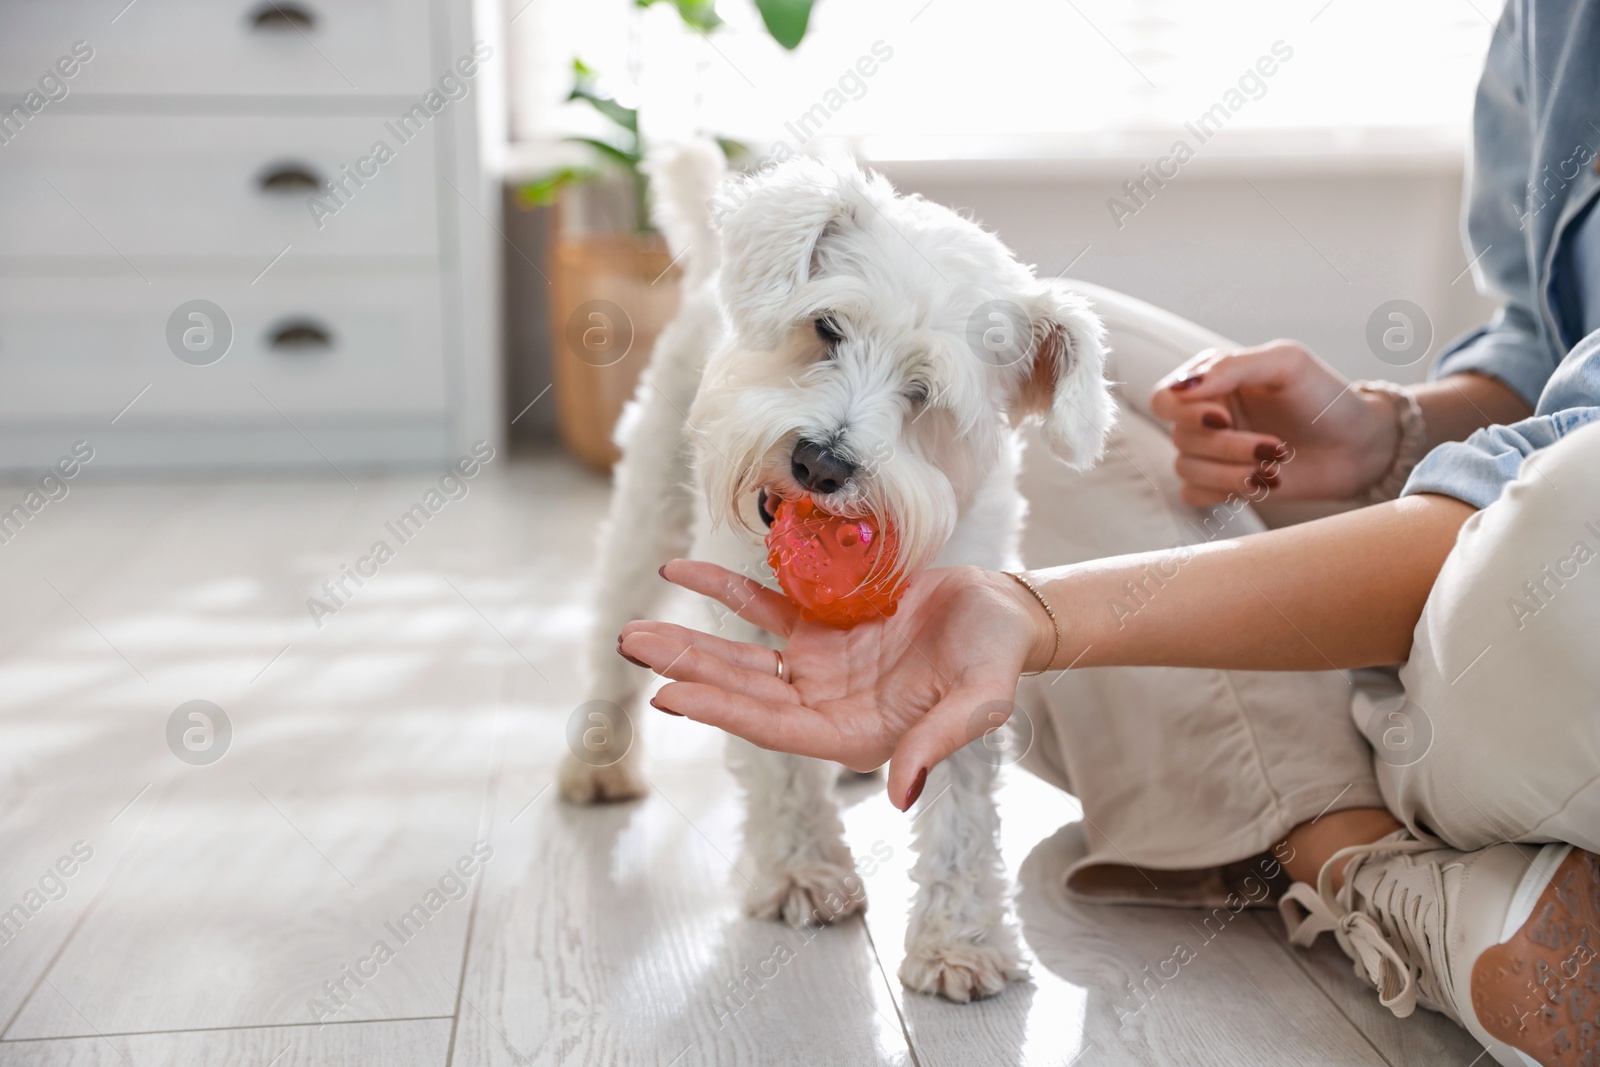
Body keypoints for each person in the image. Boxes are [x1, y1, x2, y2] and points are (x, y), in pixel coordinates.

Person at [619, 3, 1600, 1064]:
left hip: (1563, 540)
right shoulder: (1543, 20)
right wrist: (1385, 428)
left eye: (912, 392)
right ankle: (1379, 813)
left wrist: (1032, 616)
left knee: (1569, 503)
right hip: (1495, 497)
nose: (825, 448)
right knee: (1073, 354)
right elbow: (1537, 348)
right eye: (827, 337)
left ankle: (1349, 834)